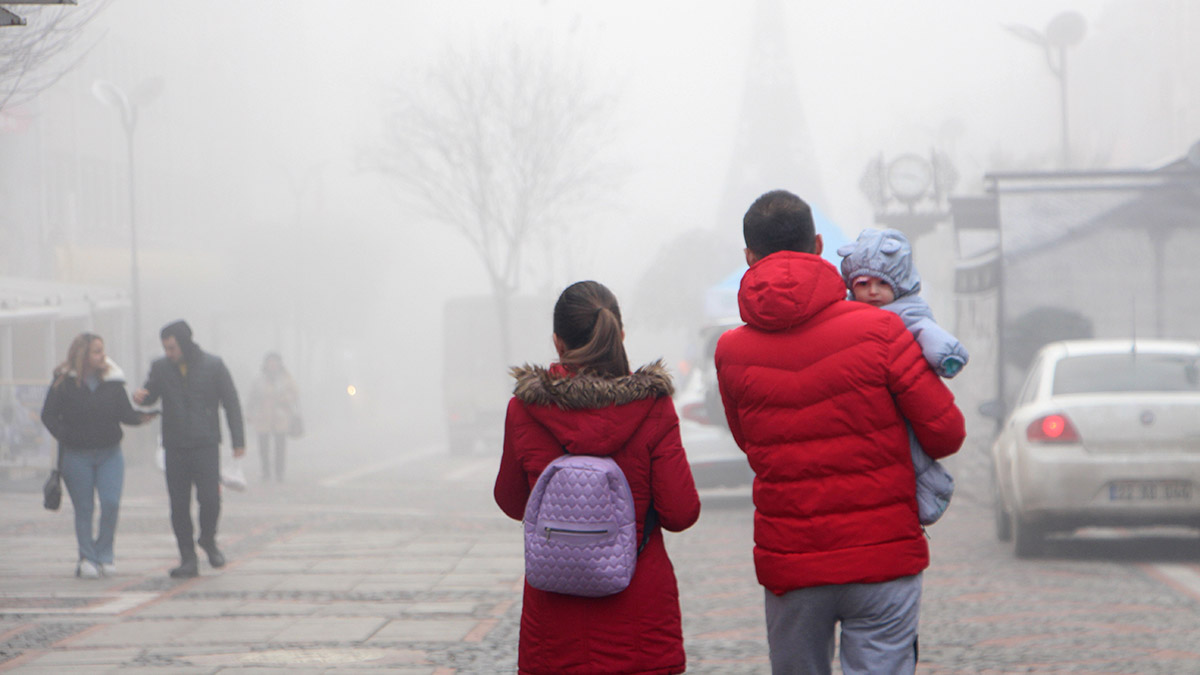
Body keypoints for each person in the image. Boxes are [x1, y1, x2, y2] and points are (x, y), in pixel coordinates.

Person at [713, 190, 966, 675]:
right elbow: (946, 434)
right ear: (819, 245)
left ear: (749, 257)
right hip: (884, 558)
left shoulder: (730, 351)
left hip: (793, 561)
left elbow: (751, 442)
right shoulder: (883, 331)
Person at [494, 280, 702, 675]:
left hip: (554, 625)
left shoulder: (524, 410)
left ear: (557, 343)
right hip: (640, 619)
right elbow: (680, 512)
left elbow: (511, 500)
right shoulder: (653, 407)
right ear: (619, 335)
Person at [838, 227, 969, 525]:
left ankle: (930, 490)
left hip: (903, 401)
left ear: (898, 285)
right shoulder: (846, 318)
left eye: (882, 283)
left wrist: (946, 355)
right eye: (863, 283)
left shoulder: (908, 313)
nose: (873, 292)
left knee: (912, 451)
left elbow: (928, 333)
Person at [133, 320, 245, 579]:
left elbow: (231, 402)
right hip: (175, 445)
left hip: (205, 443)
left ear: (184, 343)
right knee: (179, 504)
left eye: (172, 347)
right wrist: (142, 396)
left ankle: (207, 539)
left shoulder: (213, 366)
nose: (169, 353)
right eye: (165, 348)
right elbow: (152, 393)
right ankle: (187, 557)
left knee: (210, 499)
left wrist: (238, 440)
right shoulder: (161, 367)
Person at [40, 333, 154, 578]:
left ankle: (105, 553)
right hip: (76, 455)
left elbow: (124, 413)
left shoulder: (113, 381)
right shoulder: (64, 382)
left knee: (111, 502)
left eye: (102, 350)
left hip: (109, 453)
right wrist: (65, 435)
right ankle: (87, 557)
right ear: (83, 355)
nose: (103, 356)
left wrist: (141, 418)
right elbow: (48, 415)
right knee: (84, 507)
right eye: (97, 351)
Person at [247, 352, 298, 482]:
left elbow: (294, 394)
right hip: (263, 415)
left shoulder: (286, 379)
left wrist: (285, 400)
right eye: (270, 362)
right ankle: (266, 471)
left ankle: (279, 472)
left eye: (275, 362)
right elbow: (252, 397)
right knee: (263, 446)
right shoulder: (259, 379)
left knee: (280, 446)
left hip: (280, 416)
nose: (272, 364)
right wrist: (250, 412)